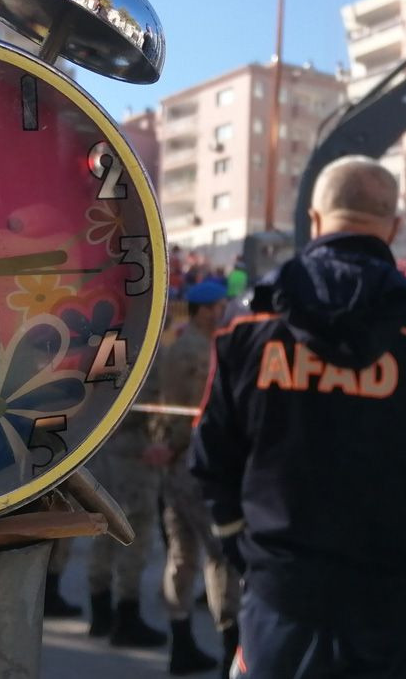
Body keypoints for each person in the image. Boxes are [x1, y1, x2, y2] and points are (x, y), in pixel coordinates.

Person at [189, 155, 406, 678]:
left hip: (281, 604)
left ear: (314, 220)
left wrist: (250, 558)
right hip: (402, 616)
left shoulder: (250, 324)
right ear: (395, 227)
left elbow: (210, 459)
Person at [146, 278, 240, 676]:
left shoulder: (177, 344)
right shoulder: (200, 351)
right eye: (219, 307)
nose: (223, 312)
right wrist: (178, 446)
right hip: (195, 462)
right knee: (220, 557)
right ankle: (229, 649)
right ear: (204, 311)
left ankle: (180, 641)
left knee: (181, 555)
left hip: (174, 462)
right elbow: (194, 411)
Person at [85, 408, 166, 647]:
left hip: (104, 445)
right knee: (133, 533)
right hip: (134, 451)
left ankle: (100, 612)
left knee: (103, 529)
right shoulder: (146, 369)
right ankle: (126, 617)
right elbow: (152, 400)